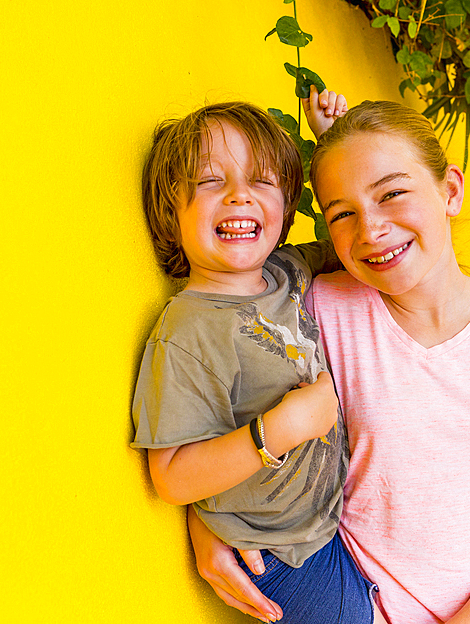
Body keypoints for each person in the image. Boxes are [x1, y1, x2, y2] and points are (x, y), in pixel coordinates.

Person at [189, 97, 470, 624]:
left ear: (450, 190)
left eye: (393, 194)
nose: (371, 230)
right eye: (343, 214)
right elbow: (238, 423)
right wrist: (210, 526)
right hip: (346, 594)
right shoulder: (319, 309)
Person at [131, 97, 385, 624]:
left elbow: (352, 241)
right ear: (168, 214)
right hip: (278, 553)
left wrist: (333, 144)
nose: (239, 195)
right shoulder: (187, 331)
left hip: (333, 519)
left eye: (262, 180)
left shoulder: (288, 269)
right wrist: (279, 429)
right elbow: (173, 477)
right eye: (209, 183)